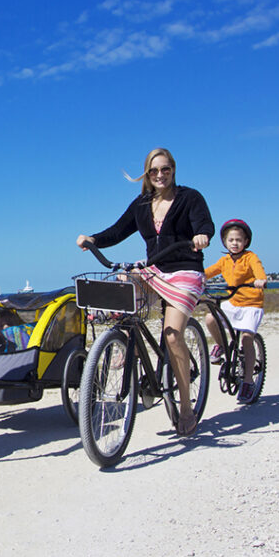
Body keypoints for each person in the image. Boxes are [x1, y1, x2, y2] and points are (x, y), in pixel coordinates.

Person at [76, 147, 214, 436]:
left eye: (165, 169)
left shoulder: (190, 197)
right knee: (124, 291)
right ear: (147, 174)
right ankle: (127, 344)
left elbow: (204, 224)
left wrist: (202, 236)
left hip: (186, 270)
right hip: (154, 269)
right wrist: (93, 239)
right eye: (154, 171)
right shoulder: (141, 204)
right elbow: (118, 231)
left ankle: (186, 408)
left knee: (172, 334)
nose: (160, 175)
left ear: (173, 170)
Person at [203, 219, 267, 404]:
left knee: (247, 339)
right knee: (210, 318)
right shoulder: (224, 261)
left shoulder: (250, 257)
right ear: (224, 242)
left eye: (239, 240)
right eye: (230, 240)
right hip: (234, 302)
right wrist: (195, 277)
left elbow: (259, 270)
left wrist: (260, 280)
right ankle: (221, 345)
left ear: (246, 241)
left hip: (251, 304)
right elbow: (207, 272)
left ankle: (247, 382)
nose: (235, 243)